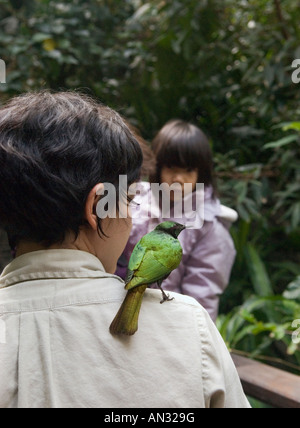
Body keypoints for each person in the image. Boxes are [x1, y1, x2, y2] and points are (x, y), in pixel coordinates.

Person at [0, 92, 250, 408]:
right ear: (97, 206)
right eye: (129, 200)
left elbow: (203, 284)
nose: (133, 216)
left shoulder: (208, 225)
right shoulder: (191, 327)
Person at [117, 120, 238, 321]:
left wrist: (197, 342)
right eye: (171, 168)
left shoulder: (209, 227)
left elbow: (202, 294)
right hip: (123, 303)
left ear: (201, 174)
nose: (178, 178)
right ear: (157, 167)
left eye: (188, 170)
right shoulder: (135, 200)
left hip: (169, 321)